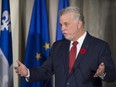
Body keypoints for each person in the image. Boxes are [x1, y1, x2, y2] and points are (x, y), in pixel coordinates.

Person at [15, 6, 116, 87]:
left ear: (79, 24)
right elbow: (45, 71)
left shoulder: (99, 46)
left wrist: (103, 73)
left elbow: (112, 76)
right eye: (61, 25)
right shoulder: (57, 47)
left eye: (66, 24)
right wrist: (27, 72)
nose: (62, 29)